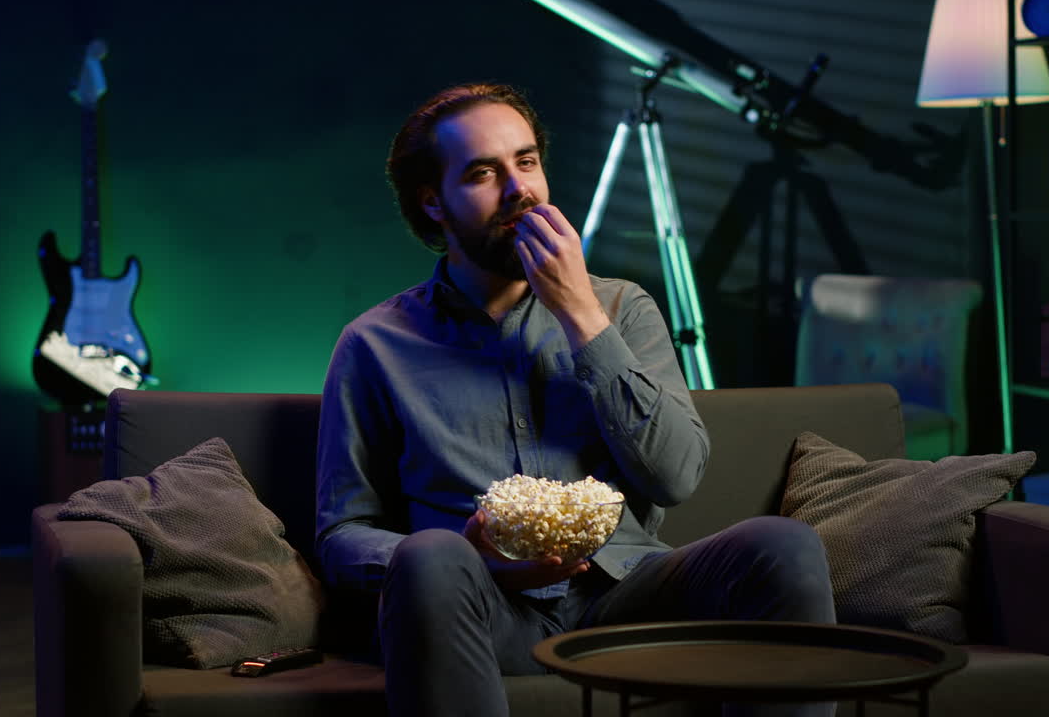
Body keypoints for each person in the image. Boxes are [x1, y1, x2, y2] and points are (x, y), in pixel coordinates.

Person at [316, 82, 835, 717]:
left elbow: (675, 477)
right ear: (434, 205)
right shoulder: (375, 344)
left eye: (527, 161)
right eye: (483, 173)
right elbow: (342, 533)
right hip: (478, 606)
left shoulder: (621, 307)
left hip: (626, 597)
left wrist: (581, 316)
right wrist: (460, 556)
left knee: (783, 545)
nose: (519, 191)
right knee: (428, 554)